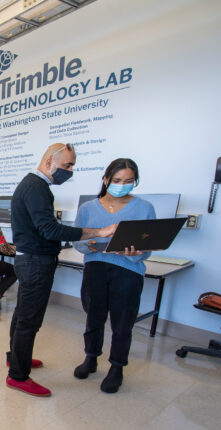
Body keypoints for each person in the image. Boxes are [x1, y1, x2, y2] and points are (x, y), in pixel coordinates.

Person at [7, 143, 117, 397]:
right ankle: (18, 375)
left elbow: (43, 228)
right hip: (36, 263)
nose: (70, 171)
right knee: (29, 321)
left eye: (72, 166)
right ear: (49, 163)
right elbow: (50, 230)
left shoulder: (31, 185)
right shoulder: (37, 188)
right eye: (67, 165)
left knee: (23, 314)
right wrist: (98, 232)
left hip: (28, 259)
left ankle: (15, 358)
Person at [73, 158, 155, 393]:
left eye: (129, 181)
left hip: (128, 272)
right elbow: (77, 241)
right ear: (106, 180)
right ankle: (91, 357)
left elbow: (148, 249)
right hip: (95, 268)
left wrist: (134, 252)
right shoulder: (88, 208)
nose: (122, 185)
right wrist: (88, 246)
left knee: (122, 323)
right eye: (117, 180)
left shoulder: (144, 208)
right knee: (94, 317)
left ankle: (117, 367)